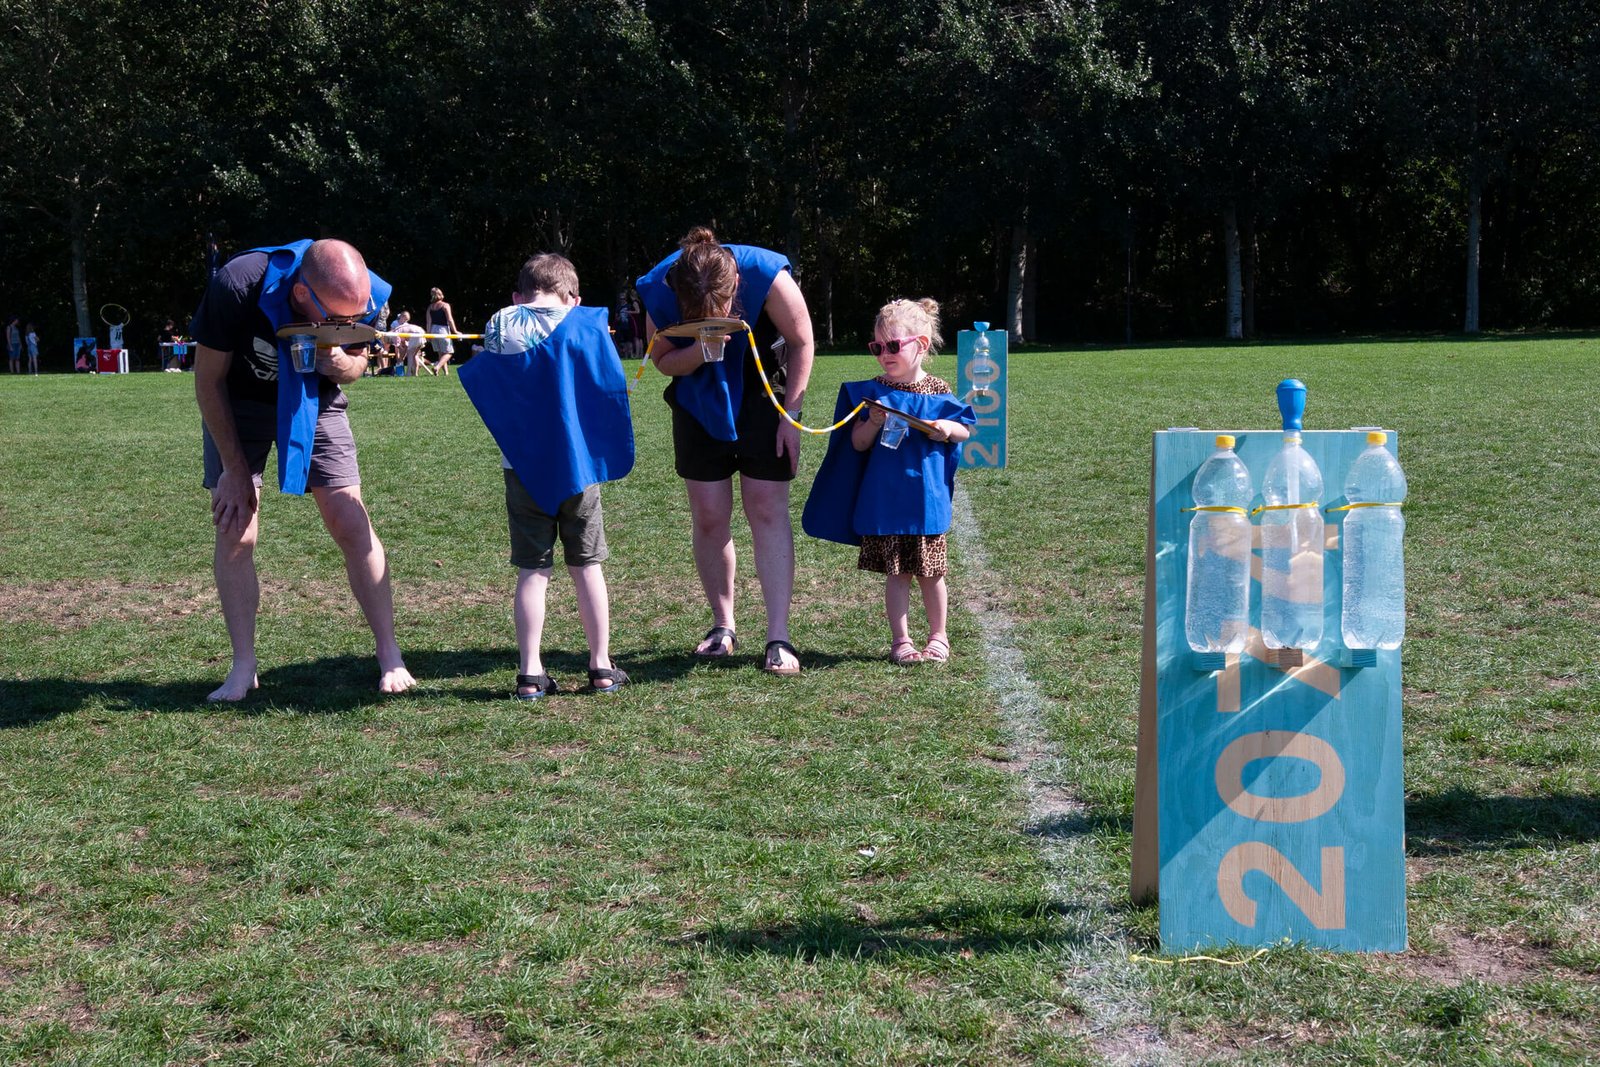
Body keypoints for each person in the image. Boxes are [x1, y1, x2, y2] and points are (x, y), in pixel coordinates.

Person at [191, 238, 416, 701]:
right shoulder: (238, 283)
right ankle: (243, 668)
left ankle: (390, 655)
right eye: (335, 319)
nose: (346, 324)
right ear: (299, 295)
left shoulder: (363, 293)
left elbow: (358, 365)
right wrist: (234, 470)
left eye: (353, 318)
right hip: (237, 404)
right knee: (237, 528)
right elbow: (207, 380)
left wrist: (342, 363)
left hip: (317, 402)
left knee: (350, 520)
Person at [636, 226, 815, 674]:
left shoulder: (766, 273)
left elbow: (801, 340)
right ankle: (723, 626)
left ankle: (779, 636)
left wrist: (790, 417)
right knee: (711, 515)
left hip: (763, 400)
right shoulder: (659, 285)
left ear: (736, 283)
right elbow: (661, 361)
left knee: (767, 509)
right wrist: (699, 351)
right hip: (698, 406)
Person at [459, 253, 635, 699]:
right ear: (573, 295)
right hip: (578, 466)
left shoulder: (501, 324)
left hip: (521, 469)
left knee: (532, 572)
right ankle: (600, 666)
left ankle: (530, 673)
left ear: (519, 295)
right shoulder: (585, 323)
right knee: (587, 567)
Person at [802, 298, 974, 664]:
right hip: (887, 504)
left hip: (926, 503)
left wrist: (947, 429)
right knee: (897, 575)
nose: (884, 354)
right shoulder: (873, 393)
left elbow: (965, 430)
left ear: (921, 346)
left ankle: (939, 636)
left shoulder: (939, 391)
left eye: (893, 346)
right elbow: (857, 444)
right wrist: (873, 421)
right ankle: (902, 641)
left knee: (931, 574)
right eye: (877, 347)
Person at [424, 287, 459, 375]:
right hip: (443, 330)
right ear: (440, 295)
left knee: (441, 353)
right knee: (449, 352)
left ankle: (446, 373)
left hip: (433, 330)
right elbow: (450, 320)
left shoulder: (430, 307)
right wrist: (455, 331)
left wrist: (428, 334)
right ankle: (437, 367)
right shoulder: (445, 305)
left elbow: (428, 322)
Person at [390, 309, 426, 376]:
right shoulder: (397, 325)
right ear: (402, 316)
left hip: (417, 335)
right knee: (414, 355)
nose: (406, 321)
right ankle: (415, 373)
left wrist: (402, 350)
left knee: (410, 355)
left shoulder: (395, 332)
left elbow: (398, 343)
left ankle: (409, 373)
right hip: (421, 333)